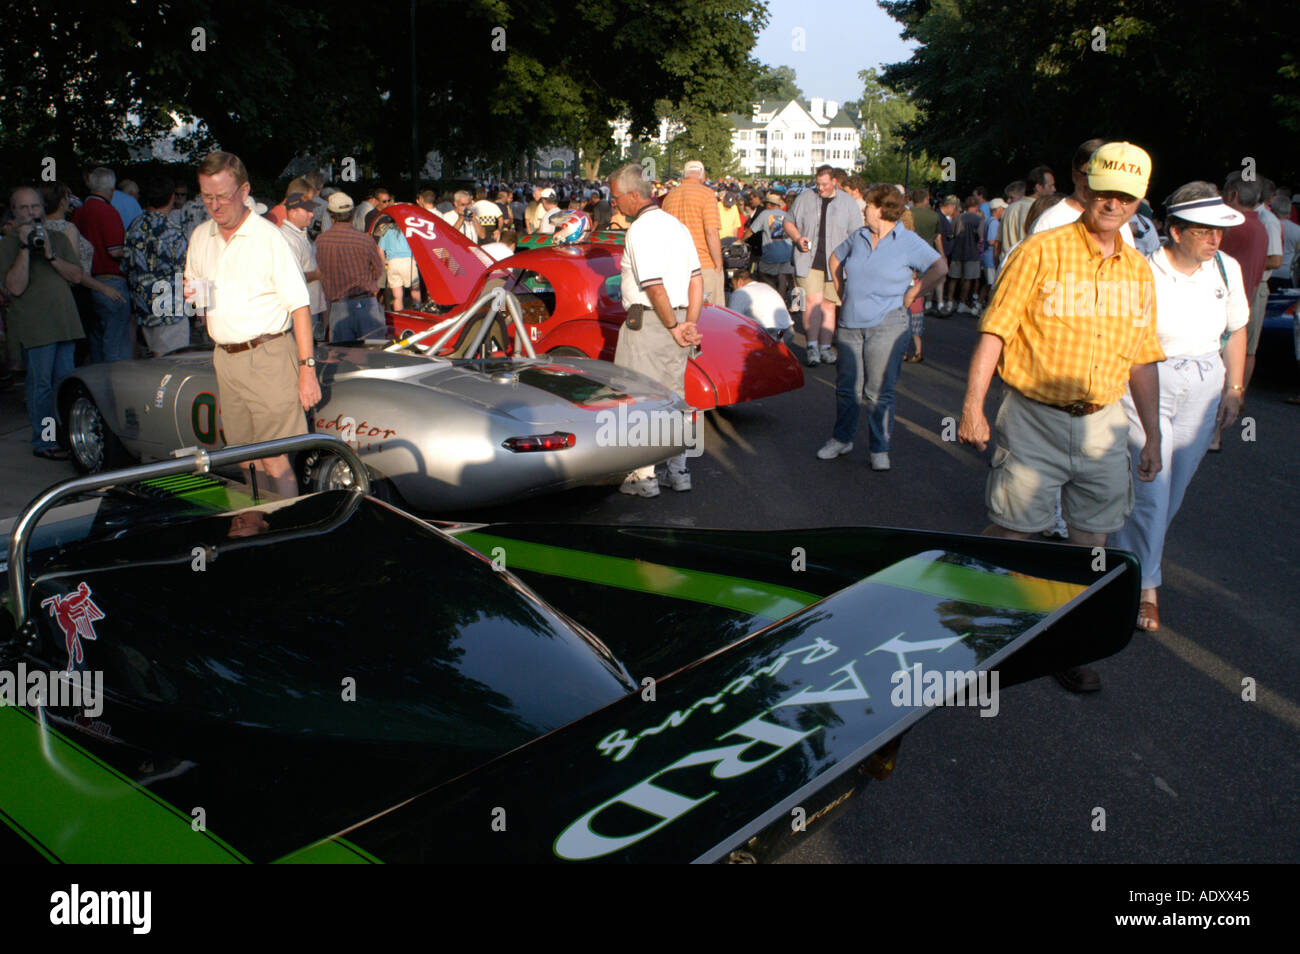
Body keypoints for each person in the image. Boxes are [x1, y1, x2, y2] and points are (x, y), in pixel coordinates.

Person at [956, 142, 1165, 693]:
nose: (1113, 204)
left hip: (1104, 424)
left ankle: (1061, 645)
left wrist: (1154, 435)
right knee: (1014, 531)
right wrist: (972, 406)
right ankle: (962, 613)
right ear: (1086, 188)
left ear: (1138, 201)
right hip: (1034, 418)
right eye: (1104, 192)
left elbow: (1143, 357)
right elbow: (995, 329)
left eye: (1125, 196)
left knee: (1091, 545)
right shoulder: (1040, 251)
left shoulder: (1140, 271)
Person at [1110, 184, 1249, 633]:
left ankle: (1122, 557)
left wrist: (1235, 387)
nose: (1215, 241)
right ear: (1175, 231)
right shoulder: (1143, 271)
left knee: (1170, 495)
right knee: (1152, 488)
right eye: (1204, 232)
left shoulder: (1226, 270)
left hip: (1206, 382)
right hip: (1150, 379)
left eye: (1218, 233)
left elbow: (1238, 329)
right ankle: (1145, 591)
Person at [183, 151, 318, 498]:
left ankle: (288, 532)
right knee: (243, 457)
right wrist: (193, 296)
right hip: (225, 359)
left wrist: (307, 369)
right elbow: (198, 293)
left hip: (268, 356)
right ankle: (254, 526)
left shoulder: (268, 238)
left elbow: (300, 306)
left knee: (273, 458)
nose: (214, 205)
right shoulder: (201, 236)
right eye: (206, 196)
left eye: (222, 196)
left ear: (243, 192)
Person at [817, 184, 946, 471]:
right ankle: (842, 438)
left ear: (882, 209)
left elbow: (940, 267)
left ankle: (879, 447)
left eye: (869, 205)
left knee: (878, 391)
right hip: (850, 322)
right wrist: (842, 290)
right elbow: (835, 258)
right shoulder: (860, 235)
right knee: (848, 388)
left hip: (888, 324)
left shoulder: (907, 240)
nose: (864, 209)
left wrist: (915, 293)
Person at [607, 162, 703, 498]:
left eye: (615, 196)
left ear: (633, 195)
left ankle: (644, 476)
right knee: (674, 399)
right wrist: (689, 323)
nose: (613, 202)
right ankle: (679, 472)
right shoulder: (676, 226)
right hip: (673, 318)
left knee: (639, 400)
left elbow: (654, 286)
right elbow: (696, 280)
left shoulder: (640, 230)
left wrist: (677, 327)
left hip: (650, 321)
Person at [0, 186, 86, 459]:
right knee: (41, 386)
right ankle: (45, 441)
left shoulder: (58, 237)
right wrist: (25, 248)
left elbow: (76, 276)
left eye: (35, 207)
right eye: (24, 208)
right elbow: (14, 287)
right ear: (14, 212)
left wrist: (50, 254)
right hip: (35, 327)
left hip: (65, 321)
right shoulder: (8, 243)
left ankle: (67, 437)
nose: (31, 213)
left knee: (65, 383)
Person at [783, 165, 861, 365]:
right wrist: (798, 237)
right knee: (812, 303)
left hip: (836, 263)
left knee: (829, 305)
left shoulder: (848, 203)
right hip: (808, 261)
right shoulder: (804, 198)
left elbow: (856, 234)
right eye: (818, 184)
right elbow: (788, 222)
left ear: (834, 182)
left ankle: (825, 348)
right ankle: (811, 347)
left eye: (824, 184)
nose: (820, 188)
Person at [71, 166, 134, 361]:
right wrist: (133, 251)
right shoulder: (108, 212)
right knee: (116, 344)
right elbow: (114, 251)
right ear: (112, 189)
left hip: (87, 283)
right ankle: (117, 389)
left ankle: (99, 387)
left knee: (97, 342)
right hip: (111, 283)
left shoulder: (78, 213)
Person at [124, 176, 190, 356]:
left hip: (143, 308)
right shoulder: (173, 231)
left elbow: (127, 264)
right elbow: (186, 270)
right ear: (171, 197)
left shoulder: (134, 227)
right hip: (170, 309)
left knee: (155, 360)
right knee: (175, 364)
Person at [314, 191, 385, 342]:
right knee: (374, 356)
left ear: (331, 215)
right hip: (366, 304)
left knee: (342, 359)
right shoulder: (365, 239)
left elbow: (320, 271)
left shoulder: (320, 241)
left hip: (338, 307)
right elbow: (379, 270)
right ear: (352, 214)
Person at [662, 160, 724, 306]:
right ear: (702, 177)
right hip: (703, 264)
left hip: (676, 266)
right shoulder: (707, 194)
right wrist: (718, 264)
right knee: (713, 317)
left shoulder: (669, 197)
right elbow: (711, 231)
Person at [278, 191, 328, 340]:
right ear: (293, 212)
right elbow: (287, 278)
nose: (312, 215)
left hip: (310, 307)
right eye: (308, 211)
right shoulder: (288, 239)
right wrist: (317, 275)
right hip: (299, 311)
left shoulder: (301, 234)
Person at [728, 268, 791, 342]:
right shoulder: (765, 286)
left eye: (733, 285)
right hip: (787, 331)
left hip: (769, 333)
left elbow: (732, 320)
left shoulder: (740, 292)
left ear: (740, 282)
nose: (733, 289)